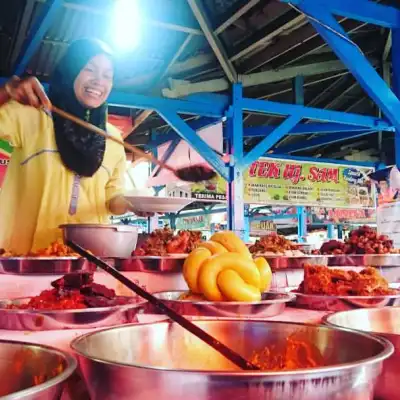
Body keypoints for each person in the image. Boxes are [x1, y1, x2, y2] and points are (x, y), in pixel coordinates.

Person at [0, 38, 148, 254]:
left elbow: (111, 200)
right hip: (26, 260)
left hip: (90, 260)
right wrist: (6, 91)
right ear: (70, 71)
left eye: (107, 75)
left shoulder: (114, 138)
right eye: (90, 69)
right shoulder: (33, 115)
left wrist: (134, 204)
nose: (99, 81)